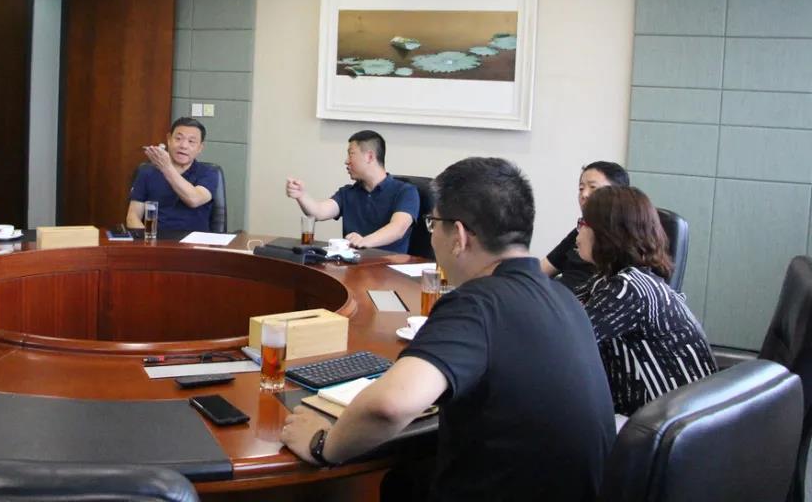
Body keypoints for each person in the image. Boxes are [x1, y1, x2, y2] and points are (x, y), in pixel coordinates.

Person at [281, 157, 615, 502]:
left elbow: (390, 405)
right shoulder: (565, 299)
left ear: (459, 236)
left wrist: (322, 444)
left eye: (432, 224)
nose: (432, 236)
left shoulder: (477, 302)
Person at [575, 185, 717, 416]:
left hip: (667, 424)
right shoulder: (609, 279)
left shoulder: (630, 289)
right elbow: (565, 309)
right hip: (656, 418)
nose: (578, 232)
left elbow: (566, 340)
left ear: (606, 233)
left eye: (583, 224)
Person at [285, 130, 419, 253]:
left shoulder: (405, 191)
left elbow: (398, 228)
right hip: (352, 265)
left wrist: (364, 241)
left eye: (351, 154)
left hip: (388, 267)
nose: (346, 161)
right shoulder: (348, 192)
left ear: (369, 157)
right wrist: (301, 195)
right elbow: (319, 212)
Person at [541, 160, 629, 290]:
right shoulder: (580, 231)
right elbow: (541, 270)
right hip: (556, 296)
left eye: (593, 187)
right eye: (581, 188)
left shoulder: (625, 241)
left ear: (617, 193)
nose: (584, 194)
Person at [126, 117, 218, 232]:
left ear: (200, 148)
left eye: (191, 141)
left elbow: (194, 199)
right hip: (155, 239)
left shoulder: (209, 172)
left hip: (194, 241)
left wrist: (166, 168)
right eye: (178, 138)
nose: (183, 145)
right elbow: (133, 217)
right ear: (169, 139)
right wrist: (147, 239)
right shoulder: (147, 172)